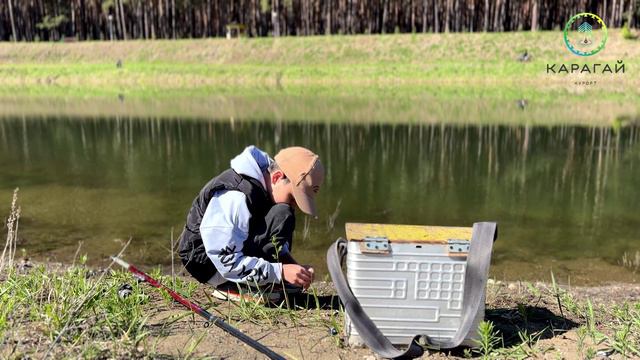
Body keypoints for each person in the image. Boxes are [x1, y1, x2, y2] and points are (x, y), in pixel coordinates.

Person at [178, 145, 324, 302]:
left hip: (232, 253)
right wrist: (280, 272)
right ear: (276, 177)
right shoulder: (236, 195)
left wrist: (292, 266)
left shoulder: (266, 187)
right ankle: (230, 286)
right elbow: (225, 259)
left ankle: (259, 281)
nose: (294, 205)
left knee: (282, 214)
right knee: (283, 212)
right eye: (293, 198)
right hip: (208, 264)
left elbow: (271, 238)